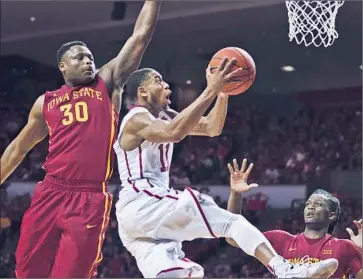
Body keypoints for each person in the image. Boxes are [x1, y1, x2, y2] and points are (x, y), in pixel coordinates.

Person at [113, 61, 338, 278]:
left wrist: (223, 93)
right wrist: (211, 89)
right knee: (232, 222)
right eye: (158, 81)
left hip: (138, 219)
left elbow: (212, 127)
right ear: (142, 92)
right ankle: (285, 270)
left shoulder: (164, 118)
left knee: (174, 274)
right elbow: (175, 132)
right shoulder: (137, 117)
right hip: (145, 201)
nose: (166, 86)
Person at [0, 1, 162, 277]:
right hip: (50, 191)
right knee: (27, 270)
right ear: (63, 66)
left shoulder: (106, 83)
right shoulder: (46, 103)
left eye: (90, 57)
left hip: (88, 197)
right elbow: (18, 148)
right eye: (80, 57)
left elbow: (139, 38)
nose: (89, 61)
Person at [226, 158, 362, 278]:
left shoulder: (344, 247)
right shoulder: (280, 240)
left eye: (318, 204)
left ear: (331, 215)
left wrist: (361, 250)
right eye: (308, 204)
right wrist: (235, 194)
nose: (311, 207)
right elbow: (233, 238)